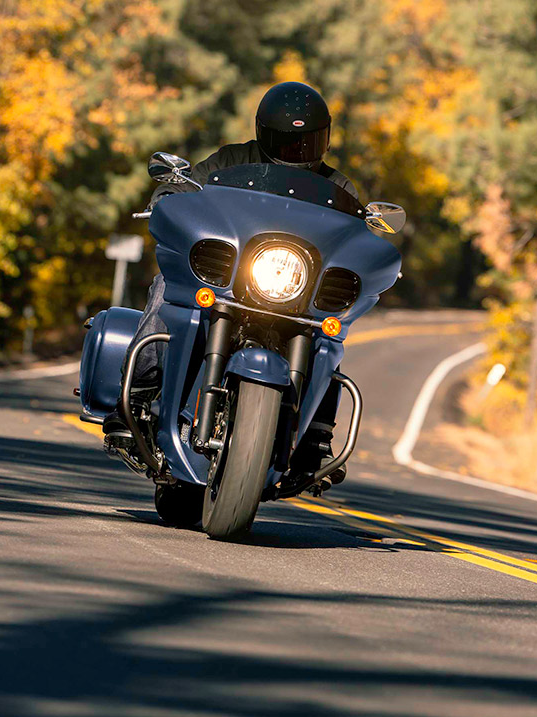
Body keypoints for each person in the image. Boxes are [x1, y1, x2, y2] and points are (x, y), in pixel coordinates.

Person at [107, 81, 355, 485]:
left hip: (294, 293)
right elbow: (193, 185)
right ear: (264, 134)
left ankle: (316, 436)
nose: (297, 150)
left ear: (323, 138)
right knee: (167, 286)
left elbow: (353, 234)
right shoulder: (233, 159)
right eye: (287, 140)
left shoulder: (339, 188)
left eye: (306, 141)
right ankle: (135, 393)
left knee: (330, 331)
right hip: (232, 278)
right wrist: (171, 190)